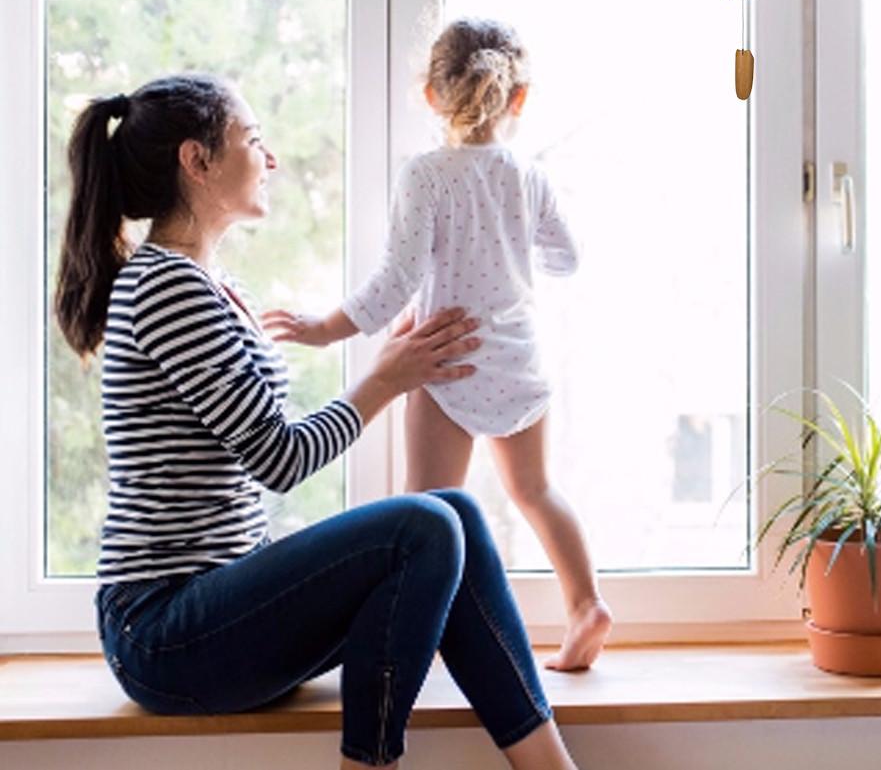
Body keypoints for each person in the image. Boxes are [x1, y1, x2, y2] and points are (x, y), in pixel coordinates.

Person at [54, 73, 581, 770]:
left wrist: (390, 369)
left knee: (451, 509)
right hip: (164, 632)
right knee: (422, 525)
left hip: (214, 608)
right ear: (197, 160)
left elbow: (266, 443)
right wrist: (385, 379)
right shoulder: (164, 286)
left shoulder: (212, 285)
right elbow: (280, 457)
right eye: (252, 139)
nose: (269, 159)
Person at [264, 19, 612, 671]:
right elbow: (566, 256)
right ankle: (585, 603)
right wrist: (509, 245)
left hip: (444, 360)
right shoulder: (526, 175)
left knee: (424, 513)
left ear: (429, 95)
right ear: (519, 98)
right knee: (535, 490)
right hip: (517, 358)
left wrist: (321, 327)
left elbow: (393, 283)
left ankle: (415, 643)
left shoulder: (424, 176)